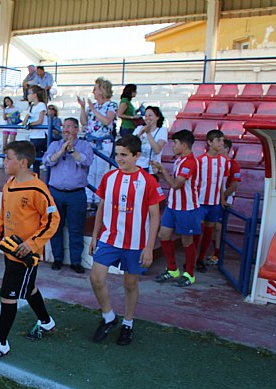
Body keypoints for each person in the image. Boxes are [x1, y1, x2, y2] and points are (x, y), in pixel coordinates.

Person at [0, 141, 60, 362]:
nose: (4, 162)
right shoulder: (9, 184)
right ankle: (46, 322)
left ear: (23, 162)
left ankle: (1, 343)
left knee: (9, 294)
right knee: (28, 289)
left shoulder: (38, 189)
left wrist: (32, 244)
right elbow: (3, 214)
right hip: (10, 250)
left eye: (8, 158)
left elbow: (53, 219)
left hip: (26, 256)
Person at [88, 135, 165, 345]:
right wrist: (95, 236)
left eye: (124, 155)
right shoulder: (109, 177)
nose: (119, 159)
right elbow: (101, 207)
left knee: (130, 284)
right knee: (96, 277)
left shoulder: (148, 181)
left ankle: (128, 323)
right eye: (117, 154)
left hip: (135, 243)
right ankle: (108, 316)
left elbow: (155, 216)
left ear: (137, 156)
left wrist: (149, 247)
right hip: (109, 238)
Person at [42, 117, 94, 274]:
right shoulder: (55, 145)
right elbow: (47, 161)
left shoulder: (85, 145)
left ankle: (76, 261)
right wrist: (61, 151)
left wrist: (72, 150)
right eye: (64, 127)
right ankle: (58, 258)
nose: (65, 130)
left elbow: (86, 161)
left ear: (77, 129)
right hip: (56, 193)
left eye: (69, 127)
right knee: (55, 227)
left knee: (76, 228)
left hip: (76, 194)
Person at [150, 129, 201, 288]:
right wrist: (160, 171)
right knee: (163, 234)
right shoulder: (180, 160)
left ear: (184, 145)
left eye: (175, 143)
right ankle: (172, 268)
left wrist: (163, 171)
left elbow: (176, 185)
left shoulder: (190, 162)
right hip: (173, 206)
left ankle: (190, 274)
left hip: (186, 208)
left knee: (187, 240)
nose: (172, 146)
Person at [194, 129, 230, 273]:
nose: (222, 143)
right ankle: (191, 259)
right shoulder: (200, 161)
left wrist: (221, 199)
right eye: (218, 140)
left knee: (209, 232)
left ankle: (200, 258)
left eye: (222, 140)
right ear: (209, 142)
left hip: (214, 203)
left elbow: (221, 182)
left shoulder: (224, 161)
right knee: (197, 231)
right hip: (200, 202)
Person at [79, 77, 118, 207]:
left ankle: (99, 198)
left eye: (95, 89)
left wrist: (93, 110)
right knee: (90, 170)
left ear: (102, 90)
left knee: (101, 171)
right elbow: (84, 122)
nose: (93, 91)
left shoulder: (111, 105)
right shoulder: (93, 106)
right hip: (91, 142)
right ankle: (89, 199)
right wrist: (83, 107)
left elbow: (107, 121)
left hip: (104, 143)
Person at [207, 138, 241, 265]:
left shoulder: (233, 164)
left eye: (220, 147)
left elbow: (233, 186)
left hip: (224, 200)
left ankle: (217, 254)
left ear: (227, 149)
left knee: (218, 227)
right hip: (212, 199)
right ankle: (214, 252)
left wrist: (221, 198)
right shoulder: (215, 163)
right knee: (211, 225)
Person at [21, 85, 48, 176]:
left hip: (41, 136)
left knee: (28, 154)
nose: (27, 96)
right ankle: (36, 177)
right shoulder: (31, 107)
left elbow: (40, 121)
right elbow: (24, 122)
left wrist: (30, 124)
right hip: (34, 135)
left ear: (35, 95)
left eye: (29, 93)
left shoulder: (41, 105)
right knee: (35, 160)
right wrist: (27, 120)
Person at [133, 106, 167, 176]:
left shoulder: (162, 131)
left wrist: (148, 133)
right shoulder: (139, 128)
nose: (147, 118)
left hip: (152, 169)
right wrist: (140, 133)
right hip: (137, 167)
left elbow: (157, 150)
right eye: (145, 116)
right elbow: (130, 144)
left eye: (150, 115)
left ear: (157, 117)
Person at [1, 96, 21, 165]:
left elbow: (18, 117)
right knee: (4, 144)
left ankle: (12, 161)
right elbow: (4, 118)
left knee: (12, 144)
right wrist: (3, 110)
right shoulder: (6, 110)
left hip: (13, 127)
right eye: (6, 102)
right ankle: (3, 161)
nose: (7, 103)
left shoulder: (16, 108)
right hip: (6, 127)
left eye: (8, 101)